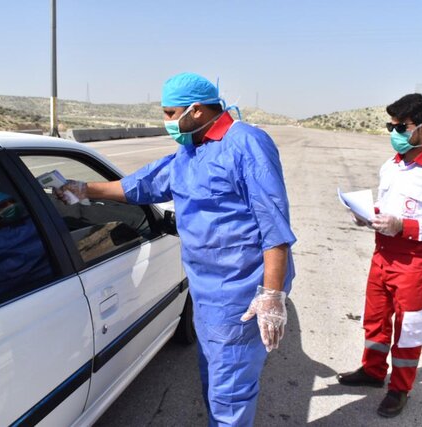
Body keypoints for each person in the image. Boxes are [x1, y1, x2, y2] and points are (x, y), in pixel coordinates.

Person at [57, 72, 296, 426]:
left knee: (228, 393)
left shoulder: (247, 144)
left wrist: (272, 294)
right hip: (206, 292)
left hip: (239, 293)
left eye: (170, 113)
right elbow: (140, 185)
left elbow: (273, 225)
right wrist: (80, 189)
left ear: (196, 110)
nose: (167, 121)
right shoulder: (191, 150)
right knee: (212, 378)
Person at [337, 94, 422, 418]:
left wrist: (402, 226)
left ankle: (400, 388)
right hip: (381, 256)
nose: (394, 132)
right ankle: (373, 371)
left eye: (400, 126)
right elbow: (387, 209)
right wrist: (367, 214)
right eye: (390, 125)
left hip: (413, 264)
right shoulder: (390, 165)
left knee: (408, 329)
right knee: (375, 320)